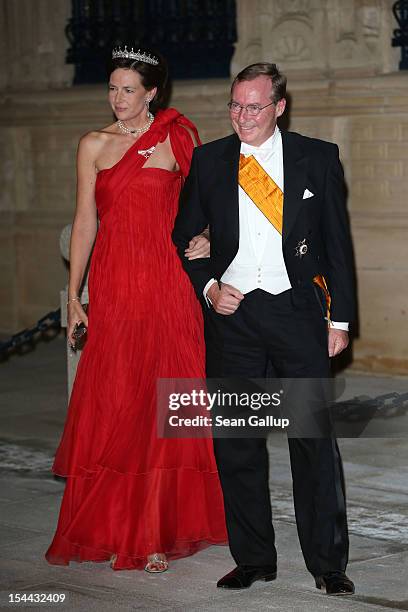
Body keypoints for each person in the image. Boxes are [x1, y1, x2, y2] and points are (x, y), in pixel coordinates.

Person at [172, 63, 356, 594]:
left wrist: (338, 319)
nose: (242, 116)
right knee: (238, 444)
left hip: (297, 315)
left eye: (253, 106)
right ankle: (253, 559)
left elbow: (337, 245)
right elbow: (184, 234)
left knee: (312, 442)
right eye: (235, 105)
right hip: (236, 320)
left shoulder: (316, 158)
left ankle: (328, 564)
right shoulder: (210, 161)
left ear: (279, 107)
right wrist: (209, 286)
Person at [45, 46, 227, 573]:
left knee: (169, 401)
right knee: (120, 400)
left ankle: (155, 532)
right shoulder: (92, 144)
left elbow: (208, 205)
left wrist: (208, 238)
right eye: (112, 87)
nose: (118, 98)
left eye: (129, 89)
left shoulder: (177, 137)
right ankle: (122, 524)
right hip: (117, 285)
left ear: (152, 93)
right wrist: (76, 295)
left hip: (169, 284)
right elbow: (85, 221)